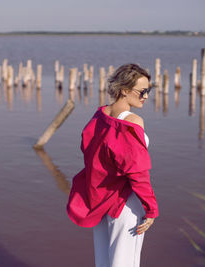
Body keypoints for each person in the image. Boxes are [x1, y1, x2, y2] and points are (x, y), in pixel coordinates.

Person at [67, 63, 159, 267]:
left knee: (104, 262)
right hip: (125, 203)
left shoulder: (99, 116)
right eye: (142, 91)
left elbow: (89, 152)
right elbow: (138, 173)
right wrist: (151, 209)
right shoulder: (132, 121)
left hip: (100, 200)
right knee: (125, 263)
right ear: (125, 90)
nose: (146, 96)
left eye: (149, 91)